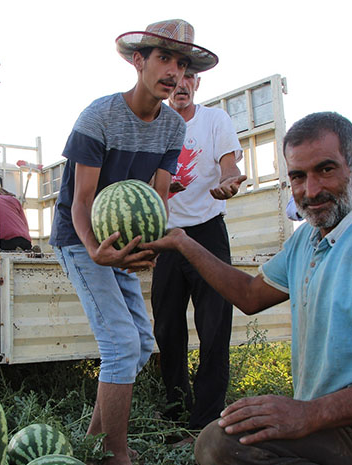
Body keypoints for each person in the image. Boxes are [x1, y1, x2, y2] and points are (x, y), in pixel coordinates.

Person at [140, 111, 352, 465]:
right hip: (327, 424)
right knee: (226, 437)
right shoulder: (308, 238)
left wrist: (309, 415)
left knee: (219, 444)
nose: (311, 190)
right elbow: (250, 296)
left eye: (326, 169)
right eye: (298, 176)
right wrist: (184, 242)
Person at [48, 19, 218, 465]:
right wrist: (92, 249)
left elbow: (157, 198)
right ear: (139, 61)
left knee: (141, 343)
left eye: (181, 64)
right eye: (164, 58)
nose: (173, 73)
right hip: (81, 237)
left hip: (123, 238)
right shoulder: (99, 116)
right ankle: (114, 454)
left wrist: (148, 247)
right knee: (121, 344)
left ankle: (91, 442)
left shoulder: (172, 129)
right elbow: (81, 202)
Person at [151, 71, 246, 436]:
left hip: (208, 233)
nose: (181, 85)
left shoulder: (215, 120)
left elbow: (230, 167)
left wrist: (228, 182)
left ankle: (205, 420)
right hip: (169, 236)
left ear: (197, 84)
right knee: (168, 329)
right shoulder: (155, 127)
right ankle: (176, 411)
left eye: (189, 77)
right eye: (175, 78)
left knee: (215, 328)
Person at [286, 157, 352, 221]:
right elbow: (291, 210)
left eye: (327, 170)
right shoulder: (308, 172)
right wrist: (313, 206)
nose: (312, 192)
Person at [0, 182, 33, 251]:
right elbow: (25, 224)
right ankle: (26, 249)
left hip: (6, 240)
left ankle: (15, 249)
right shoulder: (13, 200)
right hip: (25, 239)